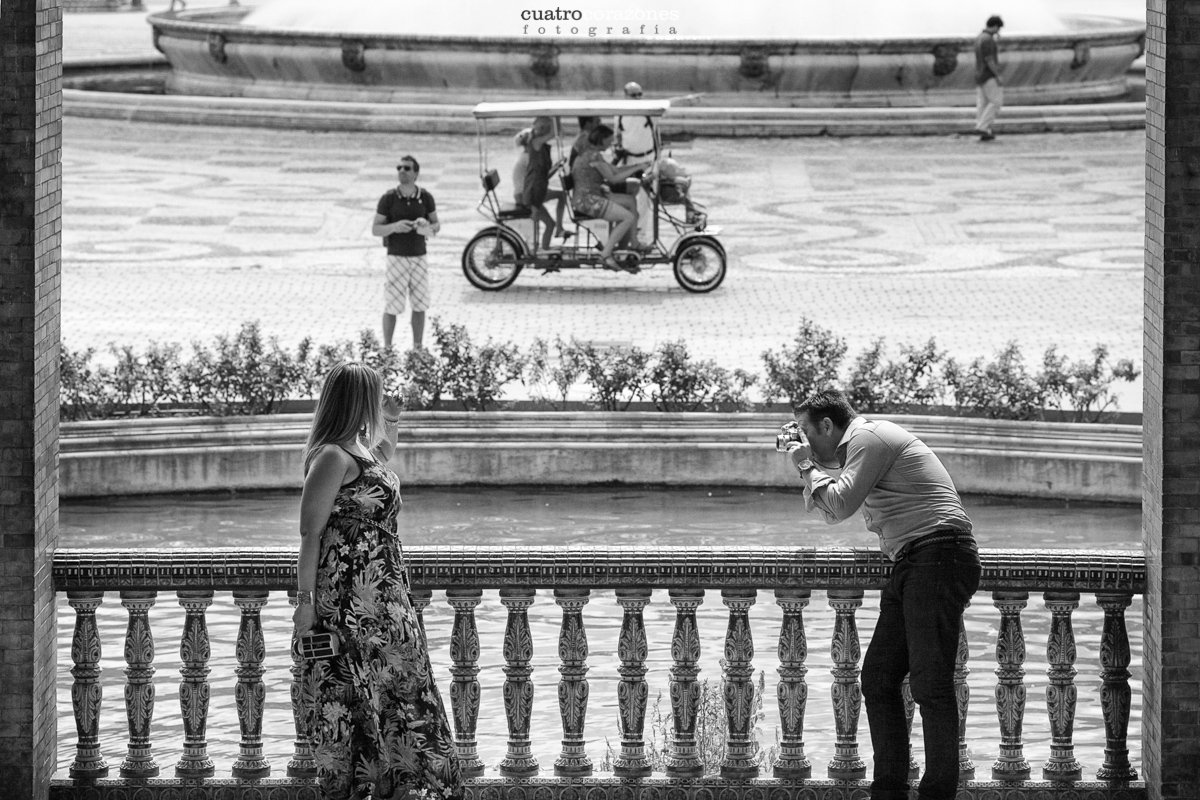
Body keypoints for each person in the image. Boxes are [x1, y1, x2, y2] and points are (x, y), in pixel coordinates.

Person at [781, 388, 980, 800]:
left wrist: (805, 464)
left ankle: (937, 794)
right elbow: (829, 508)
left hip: (939, 556)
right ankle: (889, 791)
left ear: (827, 425)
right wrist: (809, 464)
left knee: (931, 685)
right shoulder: (859, 447)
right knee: (879, 678)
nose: (803, 439)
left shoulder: (869, 438)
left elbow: (838, 505)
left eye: (805, 430)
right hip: (914, 561)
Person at [294, 361, 463, 800]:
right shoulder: (332, 455)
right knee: (372, 693)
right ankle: (385, 787)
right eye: (375, 395)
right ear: (356, 399)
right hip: (353, 601)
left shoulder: (360, 448)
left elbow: (383, 460)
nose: (380, 399)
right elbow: (310, 532)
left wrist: (392, 420)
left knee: (402, 690)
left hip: (385, 596)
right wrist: (306, 601)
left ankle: (414, 787)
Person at [372, 155, 439, 350]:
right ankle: (388, 347)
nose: (402, 171)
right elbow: (376, 229)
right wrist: (395, 227)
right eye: (399, 167)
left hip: (419, 255)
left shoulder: (425, 197)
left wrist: (426, 225)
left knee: (419, 304)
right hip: (396, 256)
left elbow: (436, 226)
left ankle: (417, 346)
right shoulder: (389, 198)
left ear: (416, 173)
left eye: (407, 168)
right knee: (392, 304)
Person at [570, 123, 651, 270]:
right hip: (588, 201)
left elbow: (614, 170)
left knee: (631, 201)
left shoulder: (594, 154)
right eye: (609, 139)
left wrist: (637, 167)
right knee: (628, 217)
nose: (611, 143)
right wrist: (637, 168)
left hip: (591, 196)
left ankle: (633, 243)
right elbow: (614, 178)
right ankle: (606, 254)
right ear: (602, 139)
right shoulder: (593, 156)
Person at [520, 115, 571, 251]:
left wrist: (557, 166)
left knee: (561, 196)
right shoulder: (535, 142)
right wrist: (557, 116)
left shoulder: (540, 146)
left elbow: (545, 174)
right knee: (548, 223)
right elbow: (555, 133)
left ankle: (558, 229)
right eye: (546, 127)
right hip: (533, 192)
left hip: (539, 189)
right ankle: (544, 249)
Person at [974, 15, 1004, 141]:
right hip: (988, 75)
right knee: (996, 102)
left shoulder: (979, 37)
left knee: (983, 103)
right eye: (998, 28)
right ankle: (982, 127)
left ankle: (983, 129)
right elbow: (989, 60)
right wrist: (997, 75)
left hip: (979, 74)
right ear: (995, 26)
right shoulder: (988, 39)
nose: (999, 31)